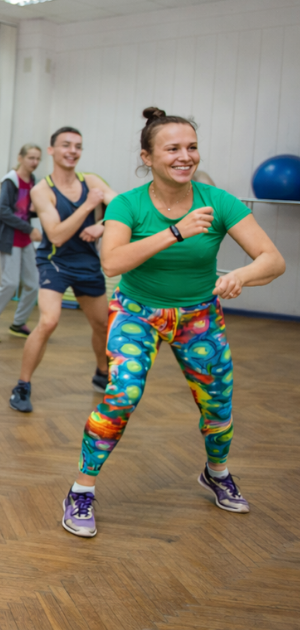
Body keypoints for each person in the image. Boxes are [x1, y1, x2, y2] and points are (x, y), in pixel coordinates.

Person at [61, 107, 284, 538]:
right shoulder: (128, 204)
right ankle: (80, 490)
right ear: (147, 157)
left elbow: (273, 259)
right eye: (173, 148)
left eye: (192, 147)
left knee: (218, 406)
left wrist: (240, 275)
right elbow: (111, 262)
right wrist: (176, 231)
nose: (186, 157)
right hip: (136, 314)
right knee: (122, 394)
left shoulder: (218, 202)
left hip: (199, 315)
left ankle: (216, 473)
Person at [9, 127, 117, 413]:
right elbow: (56, 235)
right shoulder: (41, 190)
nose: (72, 151)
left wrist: (102, 225)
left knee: (102, 324)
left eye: (78, 146)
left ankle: (101, 373)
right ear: (52, 150)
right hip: (55, 262)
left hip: (87, 263)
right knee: (49, 321)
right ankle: (22, 386)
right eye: (66, 145)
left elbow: (123, 208)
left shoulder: (92, 181)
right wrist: (89, 207)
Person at [0, 144, 43, 343]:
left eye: (37, 159)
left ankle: (18, 323)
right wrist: (30, 229)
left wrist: (35, 211)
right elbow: (4, 212)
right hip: (10, 239)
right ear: (21, 158)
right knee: (10, 283)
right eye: (31, 158)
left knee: (33, 284)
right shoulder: (10, 181)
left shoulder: (33, 180)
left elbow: (24, 211)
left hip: (24, 240)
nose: (34, 162)